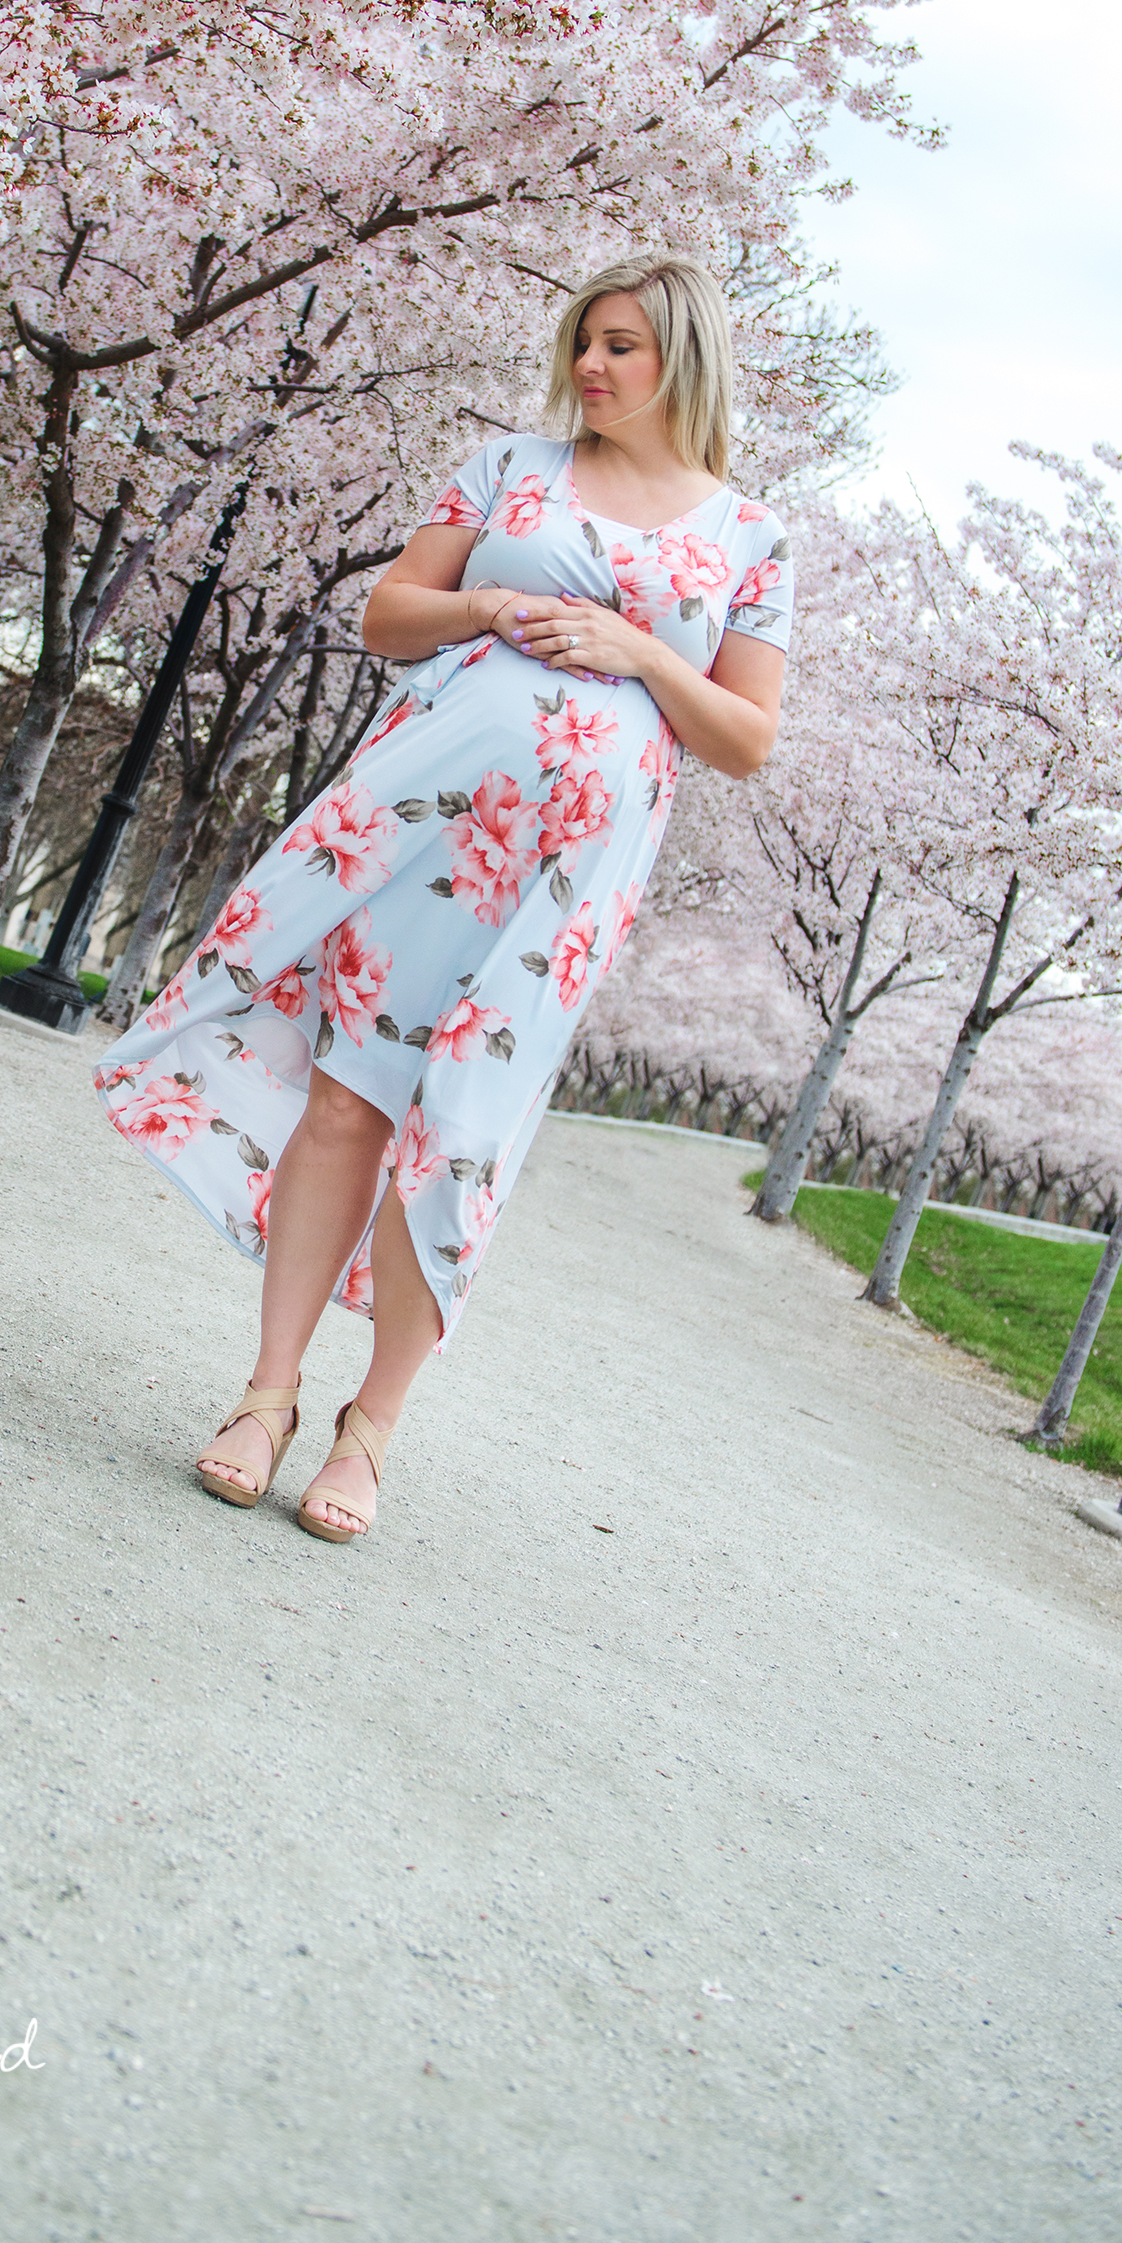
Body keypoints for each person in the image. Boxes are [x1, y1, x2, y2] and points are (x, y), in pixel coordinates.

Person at [93, 253, 793, 1543]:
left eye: (621, 346)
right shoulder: (507, 469)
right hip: (424, 826)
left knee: (456, 1126)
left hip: (564, 877)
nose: (591, 365)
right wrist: (483, 604)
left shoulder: (748, 539)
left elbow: (746, 737)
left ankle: (373, 1430)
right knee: (353, 1100)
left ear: (681, 359)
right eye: (583, 340)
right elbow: (386, 618)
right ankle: (266, 1395)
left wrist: (640, 650)